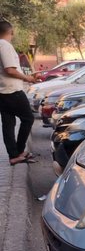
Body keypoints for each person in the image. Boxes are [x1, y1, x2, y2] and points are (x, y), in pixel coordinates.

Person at [0, 20, 36, 165]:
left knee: (8, 123)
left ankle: (14, 155)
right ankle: (19, 151)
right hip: (12, 91)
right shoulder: (5, 45)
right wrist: (28, 78)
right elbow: (10, 69)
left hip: (2, 90)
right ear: (11, 31)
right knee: (28, 118)